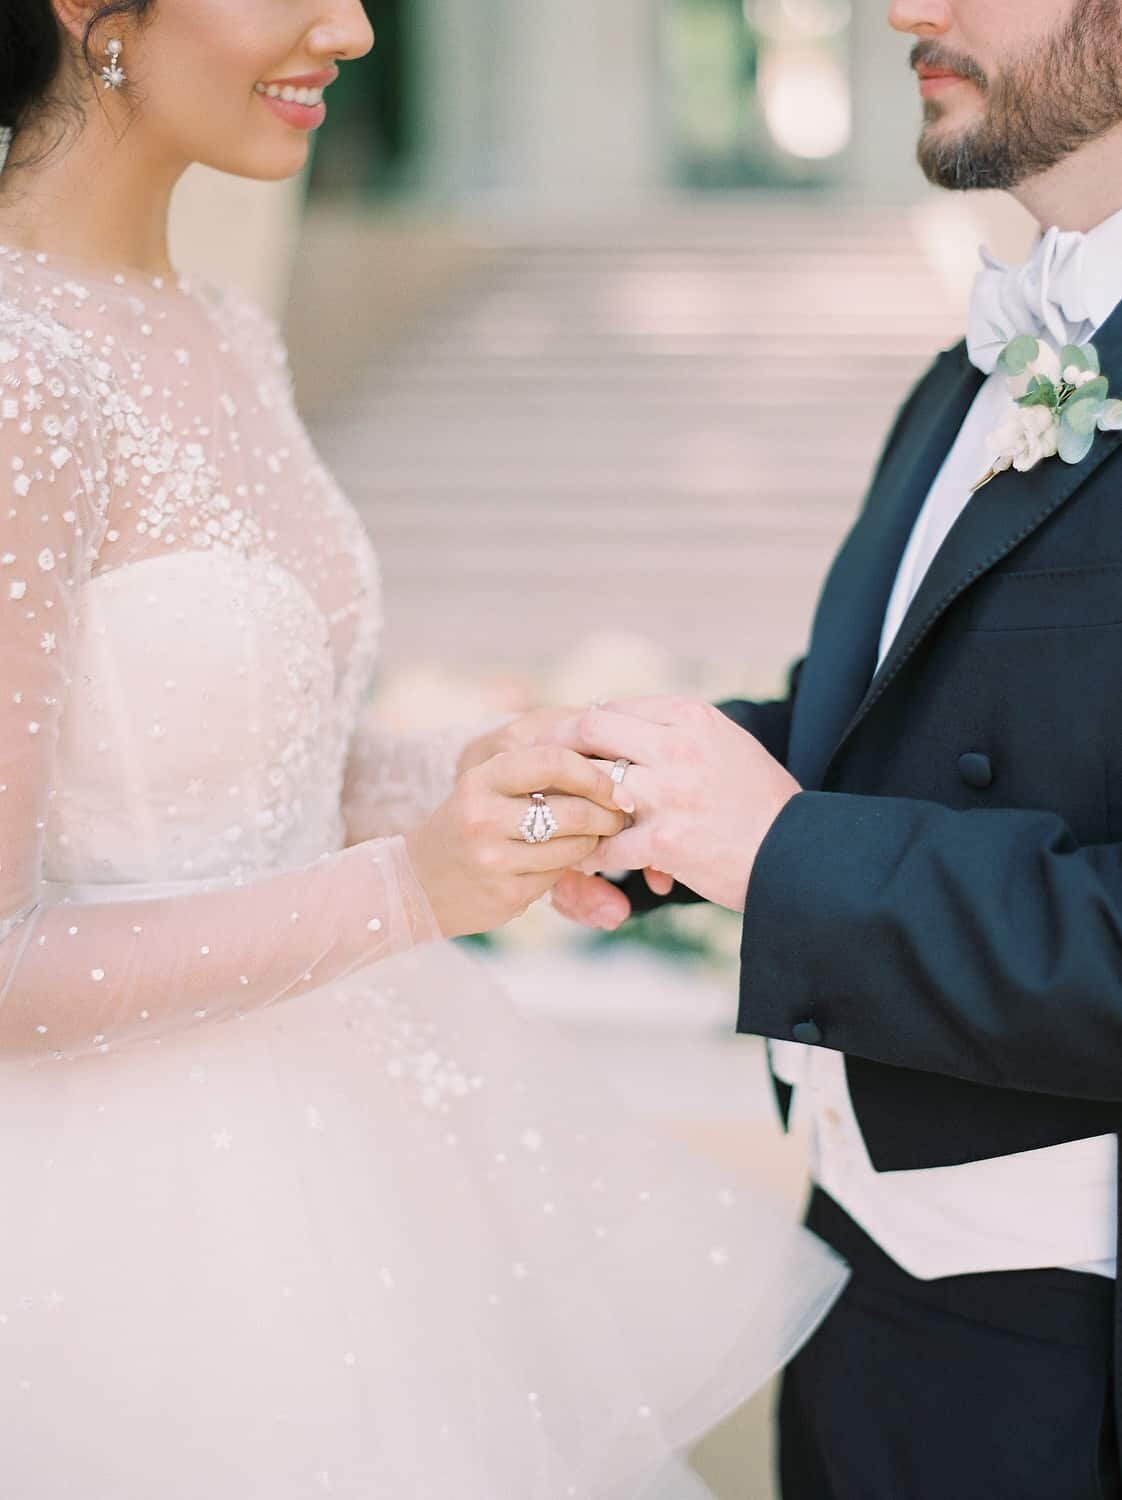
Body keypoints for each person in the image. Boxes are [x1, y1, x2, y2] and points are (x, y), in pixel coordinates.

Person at [0, 2, 846, 1495]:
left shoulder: (222, 326)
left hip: (352, 1152)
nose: (355, 25)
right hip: (126, 1234)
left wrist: (531, 771)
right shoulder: (16, 369)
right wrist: (412, 891)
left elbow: (286, 773)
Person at [549, 1, 1122, 1495]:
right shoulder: (980, 362)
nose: (902, 8)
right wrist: (629, 786)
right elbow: (884, 735)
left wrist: (778, 850)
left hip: (1077, 1358)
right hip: (870, 1287)